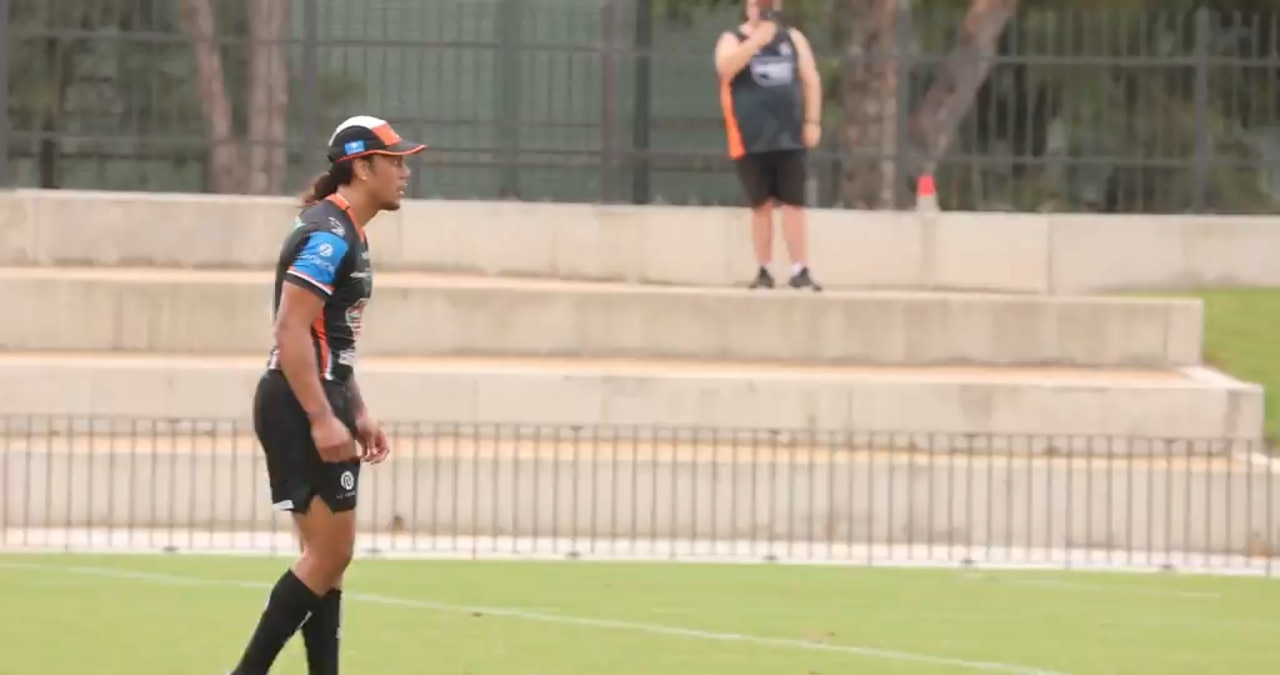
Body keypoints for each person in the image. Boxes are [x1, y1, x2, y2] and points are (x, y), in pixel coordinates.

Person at [228, 115, 425, 675]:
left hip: (320, 395)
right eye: (395, 161)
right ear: (361, 167)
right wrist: (321, 416)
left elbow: (330, 338)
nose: (405, 172)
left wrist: (355, 409)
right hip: (298, 402)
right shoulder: (327, 234)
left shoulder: (348, 231)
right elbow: (290, 330)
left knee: (327, 562)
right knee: (332, 554)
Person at [715, 0, 823, 291]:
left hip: (789, 136)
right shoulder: (732, 39)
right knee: (760, 206)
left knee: (793, 204)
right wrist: (757, 41)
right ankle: (764, 269)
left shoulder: (793, 38)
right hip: (749, 137)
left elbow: (811, 79)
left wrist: (812, 121)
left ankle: (800, 268)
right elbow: (726, 67)